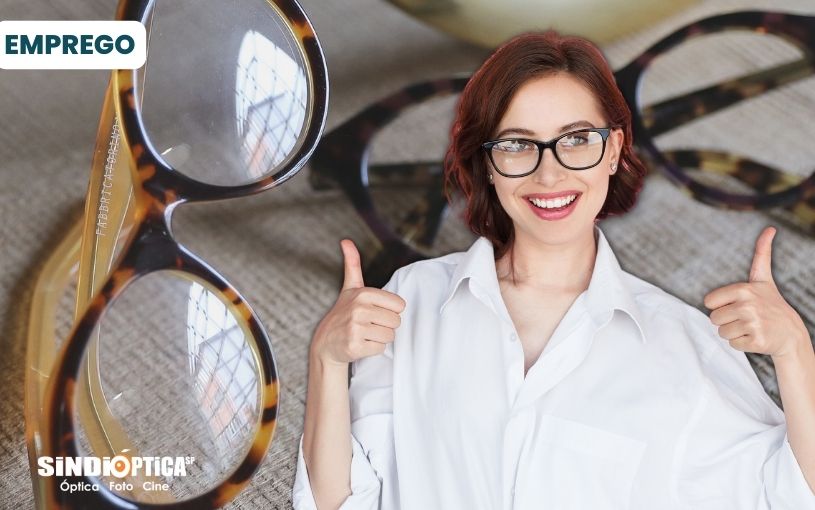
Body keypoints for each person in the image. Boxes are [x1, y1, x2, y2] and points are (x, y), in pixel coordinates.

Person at [293, 31, 815, 509]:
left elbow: (786, 496)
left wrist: (795, 351)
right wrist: (326, 358)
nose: (550, 173)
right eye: (518, 144)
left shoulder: (684, 341)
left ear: (613, 151)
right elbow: (339, 502)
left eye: (577, 139)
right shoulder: (412, 301)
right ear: (488, 164)